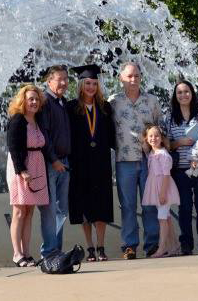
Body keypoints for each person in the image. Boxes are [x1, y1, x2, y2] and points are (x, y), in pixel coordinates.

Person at [108, 62, 162, 259]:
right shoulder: (113, 102)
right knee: (128, 205)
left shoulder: (152, 101)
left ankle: (153, 244)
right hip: (124, 161)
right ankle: (129, 245)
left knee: (150, 204)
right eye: (129, 76)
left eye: (137, 76)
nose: (133, 80)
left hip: (149, 161)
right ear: (121, 78)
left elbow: (160, 126)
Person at [65, 65, 116, 262]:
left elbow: (112, 135)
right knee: (84, 206)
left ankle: (101, 247)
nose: (91, 87)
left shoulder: (104, 107)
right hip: (79, 163)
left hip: (101, 163)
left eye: (94, 83)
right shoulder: (71, 107)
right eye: (87, 83)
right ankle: (90, 248)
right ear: (80, 85)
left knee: (102, 205)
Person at [162, 80, 198, 255]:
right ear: (175, 96)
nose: (183, 95)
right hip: (180, 170)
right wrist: (180, 142)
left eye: (186, 91)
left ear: (192, 93)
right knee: (184, 208)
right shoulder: (170, 117)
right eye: (179, 92)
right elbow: (167, 143)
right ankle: (186, 244)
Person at [6, 84, 49, 267]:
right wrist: (22, 170)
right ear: (22, 100)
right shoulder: (17, 120)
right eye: (30, 98)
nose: (34, 102)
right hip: (21, 168)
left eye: (36, 99)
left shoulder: (37, 119)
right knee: (19, 210)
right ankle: (17, 254)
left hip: (37, 166)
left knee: (30, 211)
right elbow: (13, 147)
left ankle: (27, 253)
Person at [37, 65, 71, 259]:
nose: (64, 83)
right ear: (49, 81)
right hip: (52, 164)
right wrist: (55, 160)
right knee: (50, 210)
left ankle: (56, 250)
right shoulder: (45, 103)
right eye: (59, 79)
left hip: (64, 163)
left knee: (61, 210)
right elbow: (45, 136)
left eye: (66, 79)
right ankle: (49, 251)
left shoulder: (62, 102)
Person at [140, 125, 181, 258]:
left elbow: (166, 175)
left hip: (163, 189)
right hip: (155, 187)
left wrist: (163, 193)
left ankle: (162, 247)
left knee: (162, 218)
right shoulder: (151, 153)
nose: (153, 138)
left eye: (157, 136)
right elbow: (144, 144)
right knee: (166, 217)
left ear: (162, 139)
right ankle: (173, 246)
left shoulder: (163, 155)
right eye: (150, 136)